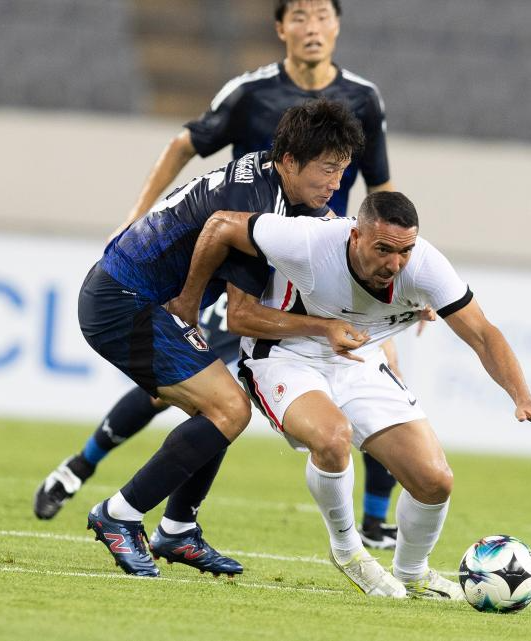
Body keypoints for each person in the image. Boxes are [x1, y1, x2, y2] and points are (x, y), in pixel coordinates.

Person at [35, 0, 402, 549]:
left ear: (338, 24)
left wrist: (391, 271)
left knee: (341, 378)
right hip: (214, 273)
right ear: (280, 27)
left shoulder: (361, 102)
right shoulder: (250, 102)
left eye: (323, 15)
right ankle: (102, 489)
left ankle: (364, 521)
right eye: (300, 16)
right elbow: (213, 211)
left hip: (305, 260)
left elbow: (379, 190)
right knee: (214, 400)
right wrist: (147, 232)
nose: (312, 27)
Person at [168, 191, 531, 598]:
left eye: (405, 251)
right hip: (285, 357)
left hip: (359, 362)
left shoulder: (425, 266)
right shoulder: (310, 241)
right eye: (383, 250)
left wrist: (522, 396)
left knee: (434, 480)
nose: (395, 264)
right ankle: (348, 550)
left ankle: (412, 573)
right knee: (332, 436)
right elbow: (222, 224)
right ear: (355, 236)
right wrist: (187, 305)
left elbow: (482, 333)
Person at [81, 99, 368, 578]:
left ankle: (177, 529)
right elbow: (242, 316)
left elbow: (333, 241)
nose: (337, 184)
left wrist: (400, 291)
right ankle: (119, 514)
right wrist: (326, 328)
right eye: (328, 170)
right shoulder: (259, 206)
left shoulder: (271, 181)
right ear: (291, 161)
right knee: (229, 409)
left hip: (129, 294)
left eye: (342, 170)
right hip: (122, 302)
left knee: (221, 407)